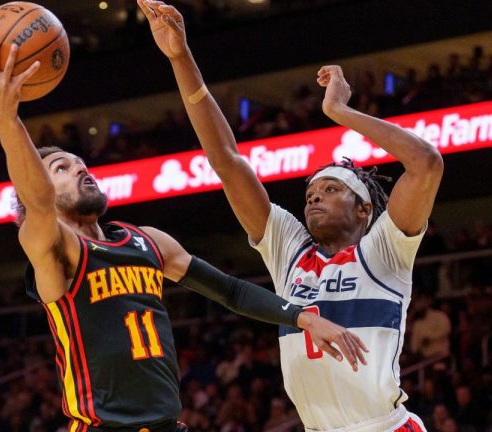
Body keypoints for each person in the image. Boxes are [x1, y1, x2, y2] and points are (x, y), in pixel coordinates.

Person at [0, 37, 368, 432]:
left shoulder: (146, 240)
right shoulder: (57, 250)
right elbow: (37, 201)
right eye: (61, 169)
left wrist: (303, 318)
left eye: (79, 162)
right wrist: (7, 119)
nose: (79, 168)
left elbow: (229, 290)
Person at [139, 1, 444, 429]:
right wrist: (180, 57)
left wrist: (340, 113)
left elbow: (426, 163)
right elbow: (227, 160)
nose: (314, 198)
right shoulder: (290, 250)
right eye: (311, 192)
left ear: (364, 208)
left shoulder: (385, 249)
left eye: (331, 189)